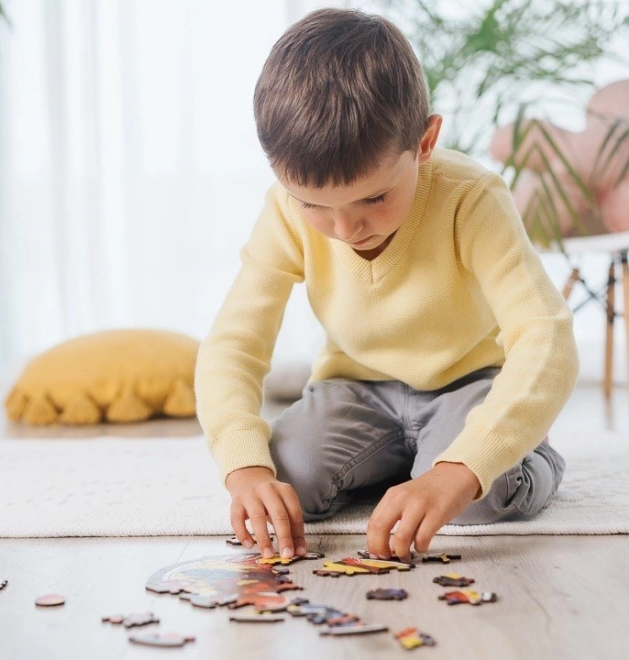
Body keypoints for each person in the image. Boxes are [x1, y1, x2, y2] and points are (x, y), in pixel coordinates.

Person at [194, 8, 579, 562]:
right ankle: (414, 467)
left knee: (477, 494)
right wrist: (244, 469)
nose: (346, 229)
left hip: (467, 383)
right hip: (356, 389)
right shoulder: (282, 210)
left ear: (424, 143)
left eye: (374, 198)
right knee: (284, 480)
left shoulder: (470, 198)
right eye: (313, 205)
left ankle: (524, 457)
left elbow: (547, 334)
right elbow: (232, 346)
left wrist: (459, 469)